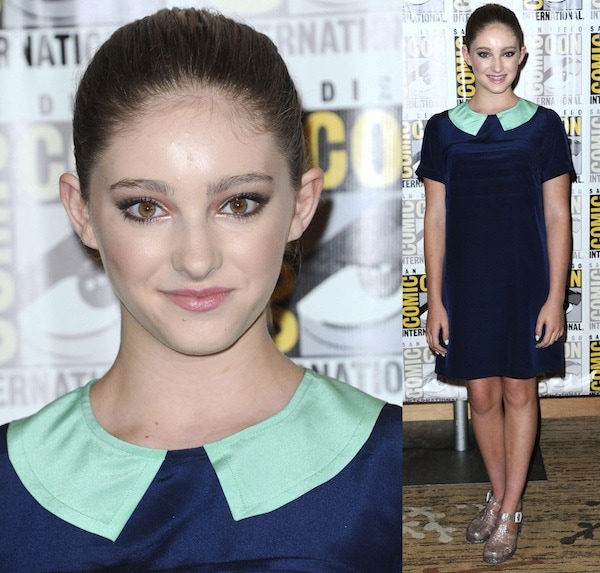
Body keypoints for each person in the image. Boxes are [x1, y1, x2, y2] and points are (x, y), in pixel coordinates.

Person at [0, 8, 402, 571]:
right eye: (146, 207)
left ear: (301, 205)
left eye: (238, 204)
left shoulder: (391, 473)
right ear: (81, 211)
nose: (196, 259)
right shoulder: (9, 491)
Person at [417, 3, 573, 565]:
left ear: (523, 55)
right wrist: (435, 299)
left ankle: (509, 510)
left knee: (518, 390)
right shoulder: (441, 129)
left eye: (507, 53)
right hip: (466, 283)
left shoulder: (544, 125)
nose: (496, 65)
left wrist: (555, 296)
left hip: (526, 281)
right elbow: (434, 219)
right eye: (484, 53)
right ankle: (497, 491)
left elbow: (559, 217)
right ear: (466, 56)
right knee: (481, 395)